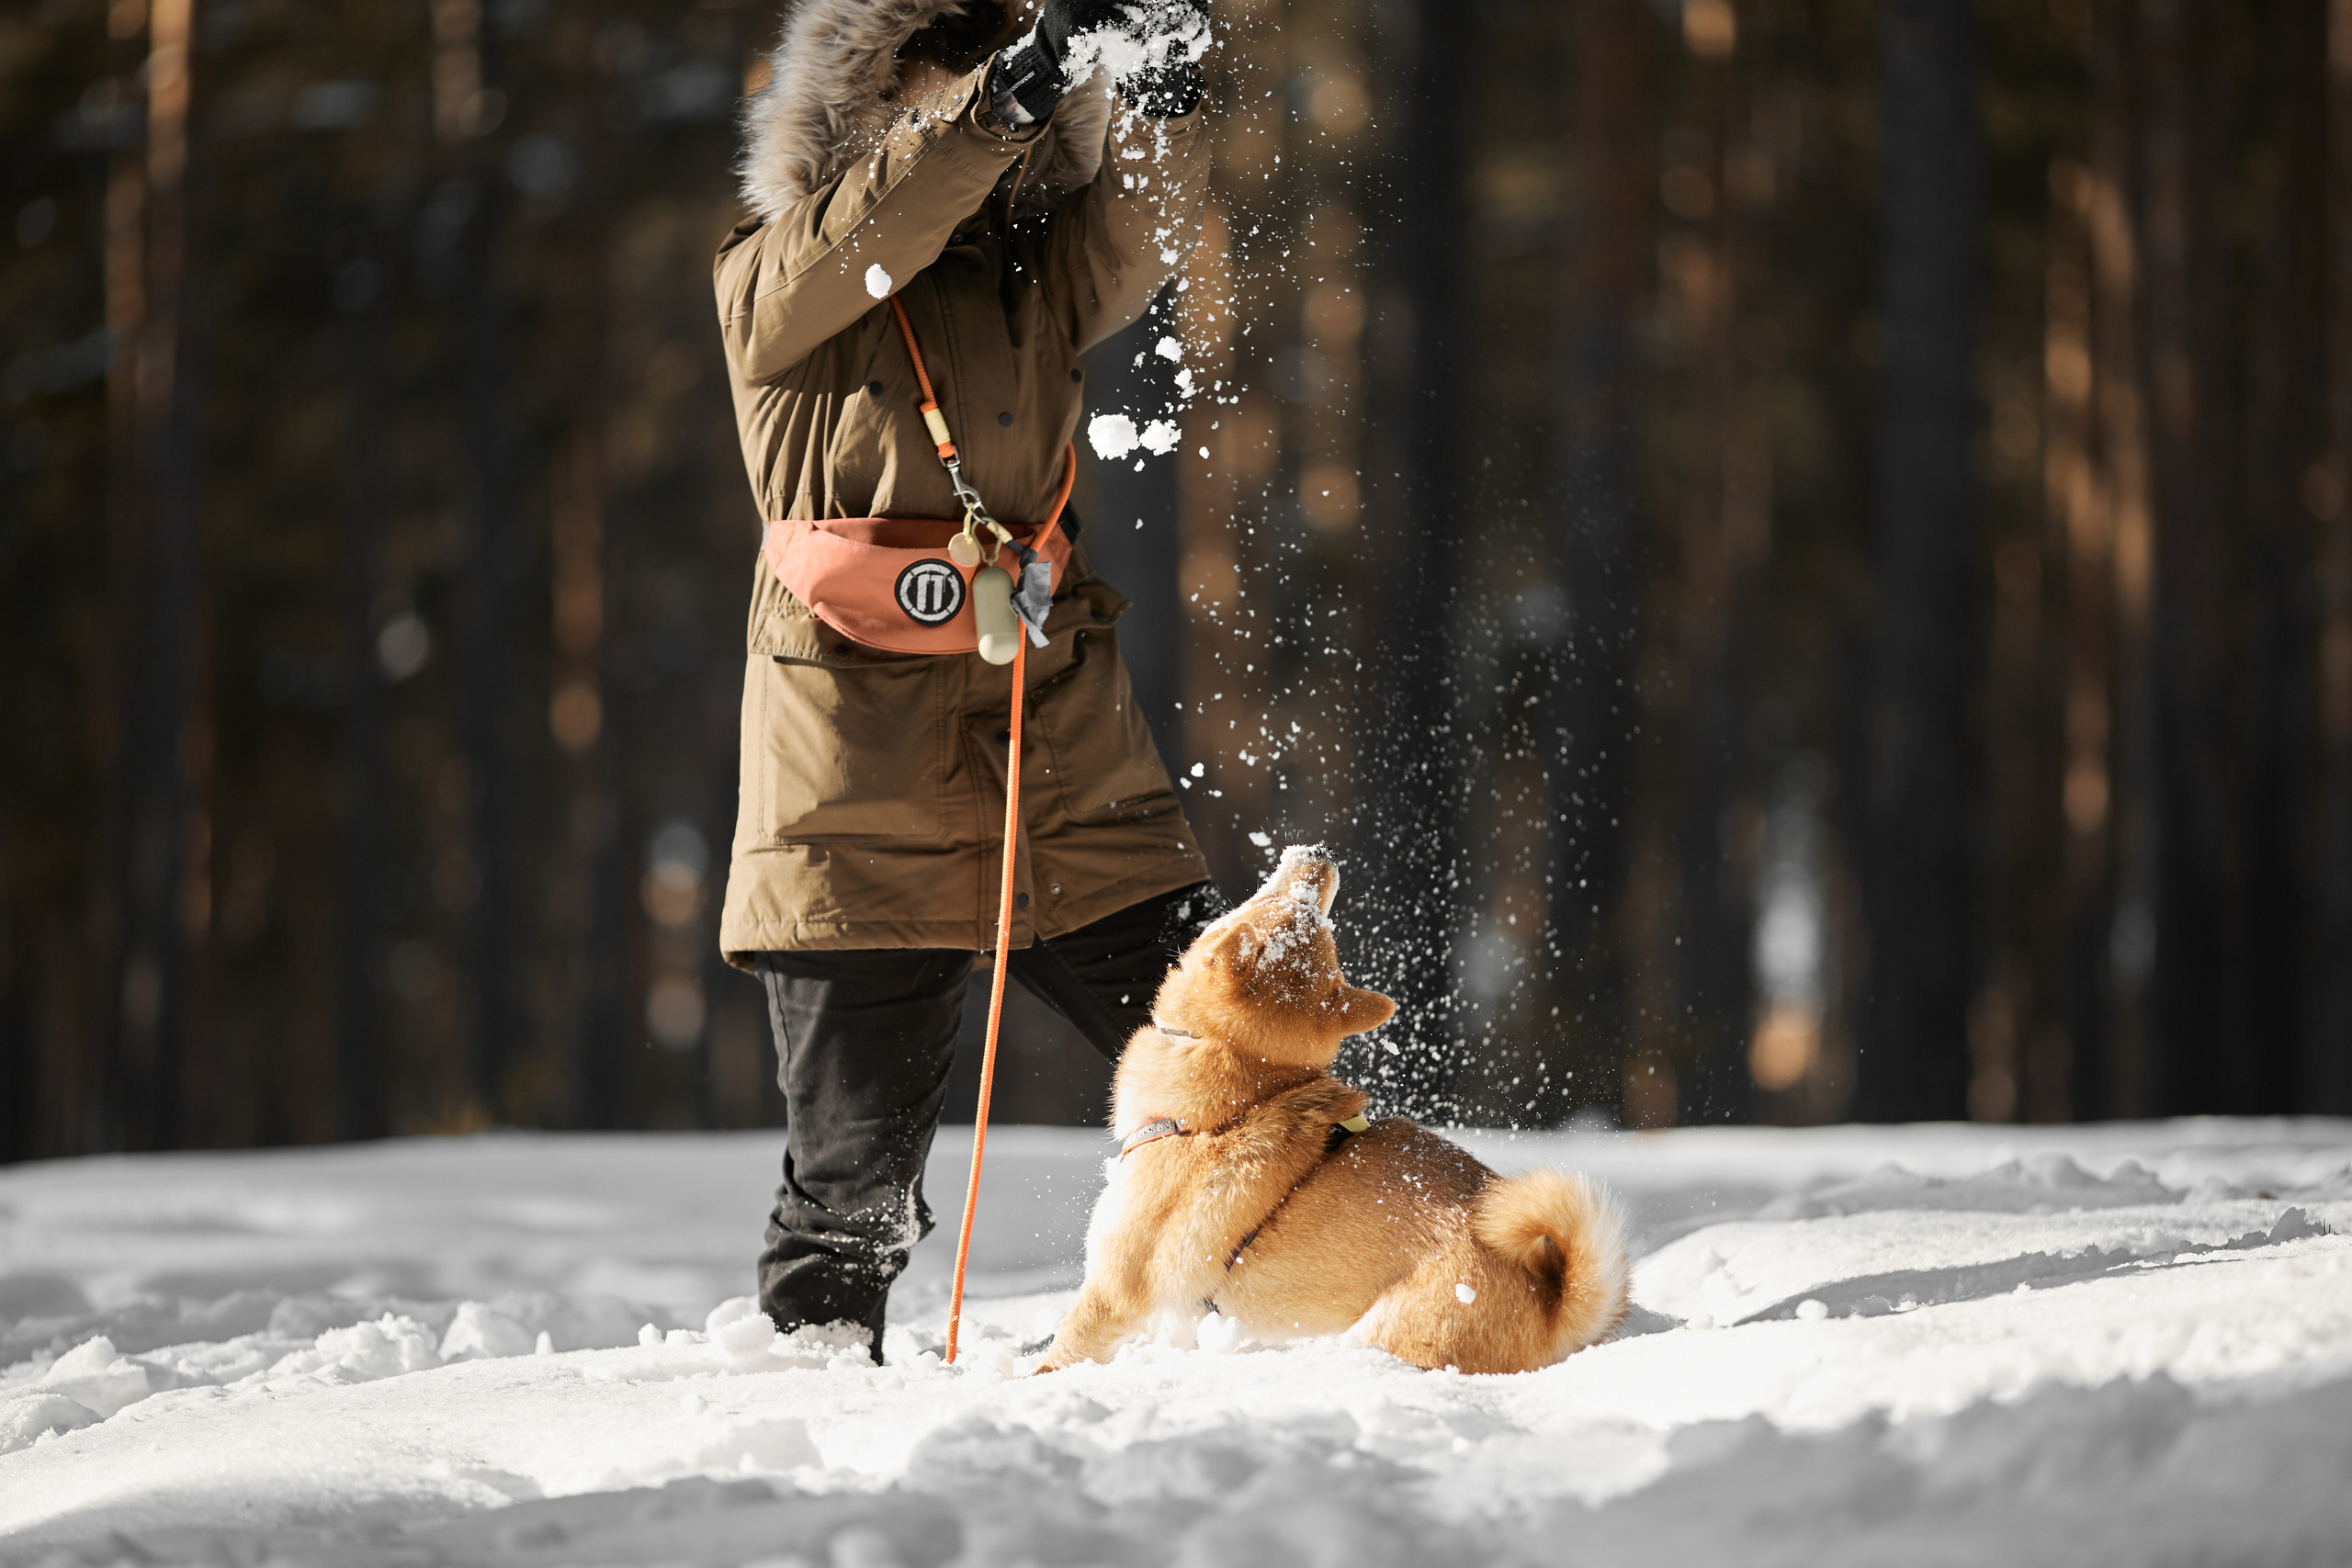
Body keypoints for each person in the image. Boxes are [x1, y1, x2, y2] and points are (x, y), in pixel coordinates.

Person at [715, 0, 1224, 1360]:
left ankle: (1316, 1323)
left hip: (1055, 749)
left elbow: (1138, 237)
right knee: (849, 1202)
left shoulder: (1033, 271)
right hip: (855, 787)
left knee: (1236, 1078)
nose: (977, 130)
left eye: (1004, 106)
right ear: (864, 109)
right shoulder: (774, 272)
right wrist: (1004, 101)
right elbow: (866, 235)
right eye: (938, 99)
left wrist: (1158, 90)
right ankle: (806, 1453)